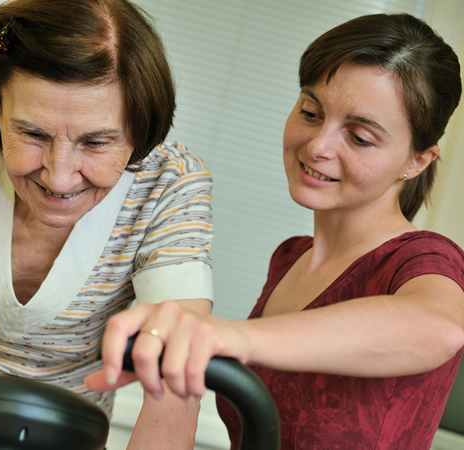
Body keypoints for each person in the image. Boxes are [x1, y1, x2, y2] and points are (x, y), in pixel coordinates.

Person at [87, 13, 464, 449]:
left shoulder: (422, 260)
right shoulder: (290, 259)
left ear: (418, 160)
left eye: (359, 137)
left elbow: (440, 328)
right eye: (310, 112)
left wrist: (229, 337)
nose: (318, 146)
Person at [0, 0, 214, 448]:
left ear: (139, 131)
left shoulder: (171, 183)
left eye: (96, 142)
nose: (59, 174)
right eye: (33, 134)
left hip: (53, 423)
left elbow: (175, 374)